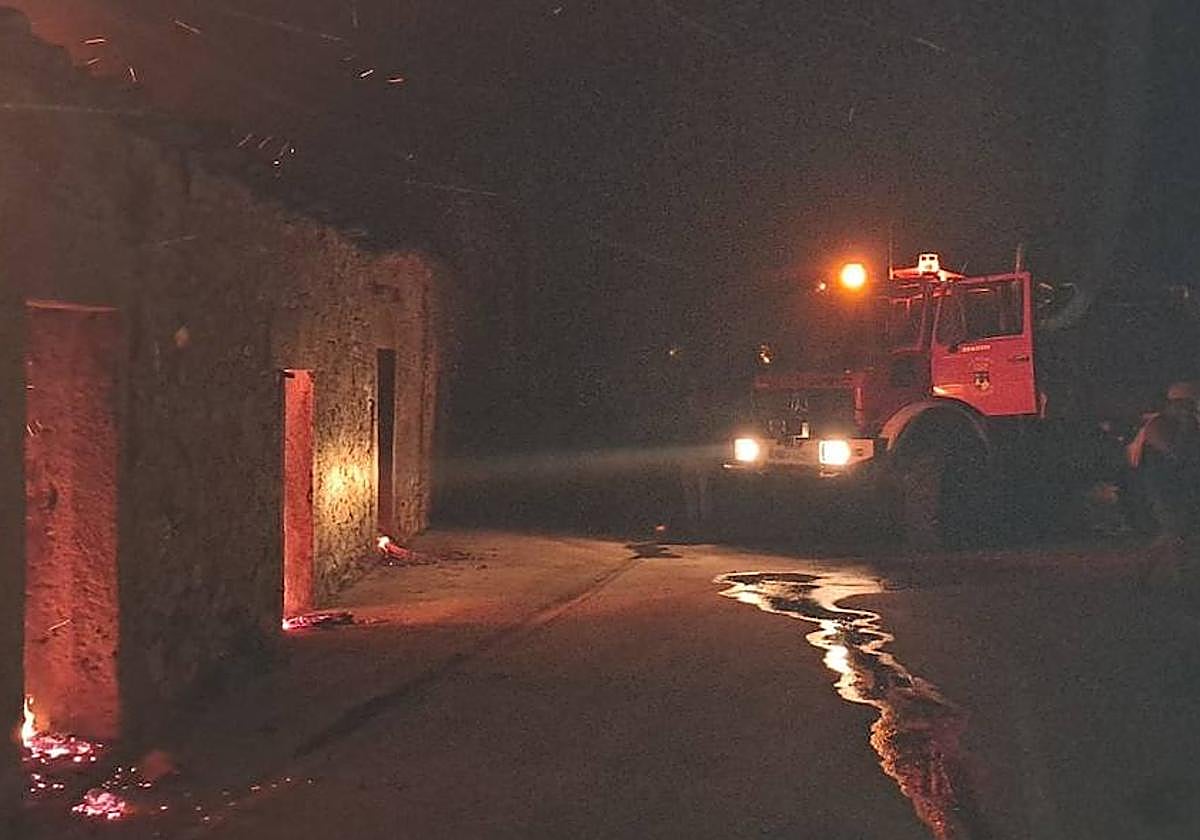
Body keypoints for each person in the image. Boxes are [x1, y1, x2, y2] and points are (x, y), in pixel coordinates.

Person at [1128, 381, 1200, 562]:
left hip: (1183, 485)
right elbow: (1175, 453)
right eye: (1188, 405)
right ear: (1174, 404)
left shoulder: (1191, 425)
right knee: (1176, 531)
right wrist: (1185, 428)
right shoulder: (1158, 424)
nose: (1192, 409)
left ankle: (1143, 573)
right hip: (1160, 487)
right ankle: (1179, 582)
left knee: (1176, 532)